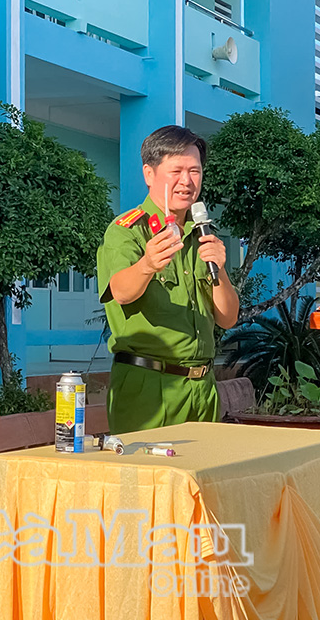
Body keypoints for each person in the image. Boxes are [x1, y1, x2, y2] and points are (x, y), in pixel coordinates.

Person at [96, 125, 239, 434]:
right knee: (148, 467)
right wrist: (147, 264)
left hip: (203, 389)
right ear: (149, 174)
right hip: (149, 387)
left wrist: (220, 270)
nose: (187, 181)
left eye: (195, 171)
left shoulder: (203, 235)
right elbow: (121, 292)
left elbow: (227, 318)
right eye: (176, 171)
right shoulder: (128, 231)